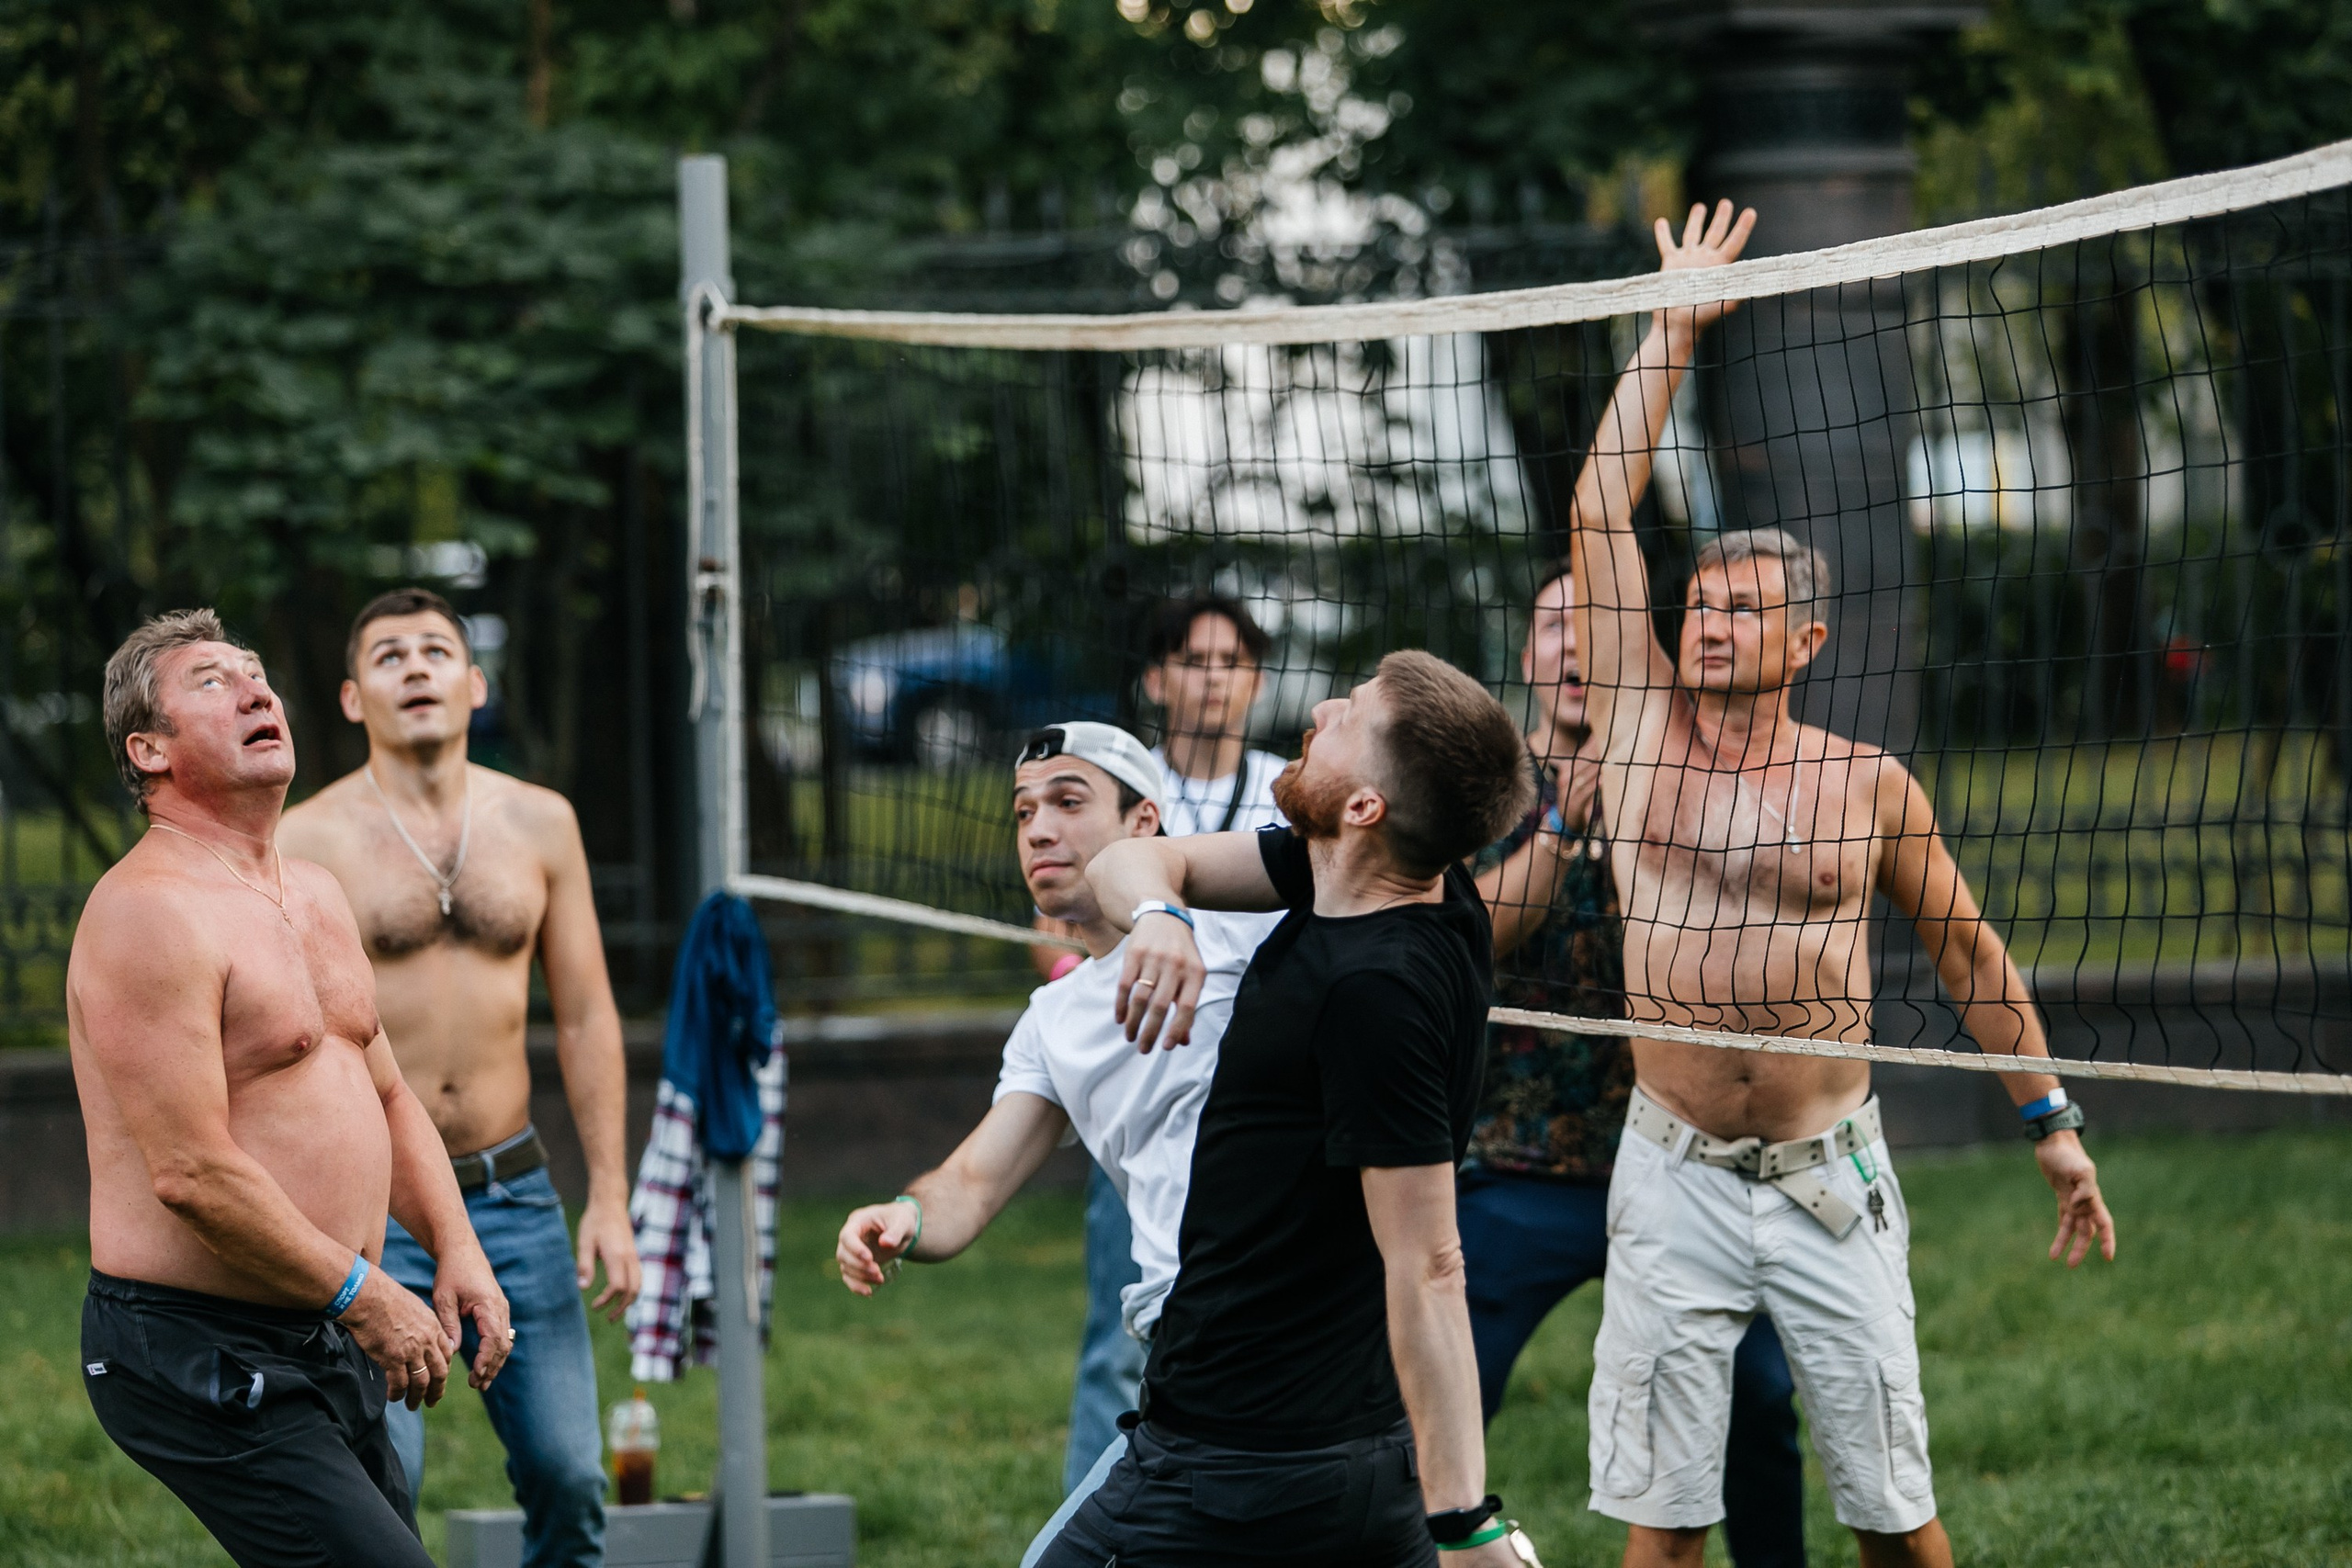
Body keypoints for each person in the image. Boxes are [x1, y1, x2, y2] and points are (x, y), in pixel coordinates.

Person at [1569, 201, 2118, 1568]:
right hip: (1674, 1166)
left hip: (1832, 1170)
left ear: (1807, 637)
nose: (1708, 618)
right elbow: (1596, 509)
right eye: (1699, 600)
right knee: (1666, 1515)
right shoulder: (1637, 731)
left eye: (1743, 607)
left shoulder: (1866, 780)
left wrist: (2050, 1118)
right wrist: (1675, 326)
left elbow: (1971, 956)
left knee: (1891, 1507)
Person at [1037, 649, 1537, 1568]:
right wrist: (1159, 916)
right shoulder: (1361, 879)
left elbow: (1427, 1263)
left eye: (1348, 715)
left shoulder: (1374, 991)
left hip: (1235, 1465)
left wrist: (1466, 1520)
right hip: (1347, 1448)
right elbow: (1141, 861)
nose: (1318, 706)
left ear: (1364, 808)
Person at [69, 609, 514, 1568]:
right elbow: (189, 1171)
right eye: (213, 683)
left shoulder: (309, 891)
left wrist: (456, 1249)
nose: (257, 691)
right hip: (197, 1347)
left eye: (258, 675)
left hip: (318, 1323)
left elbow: (388, 1094)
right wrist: (364, 1293)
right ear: (148, 750)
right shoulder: (146, 913)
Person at [831, 721, 1258, 1557]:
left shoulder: (1246, 930)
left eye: (1068, 801)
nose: (1039, 829)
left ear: (1145, 825)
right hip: (1185, 1345)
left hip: (1299, 1323)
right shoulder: (1052, 1021)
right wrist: (903, 1216)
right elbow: (973, 1183)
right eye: (1024, 811)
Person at [279, 588, 639, 1568]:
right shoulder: (305, 839)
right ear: (354, 699)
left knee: (571, 1480)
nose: (415, 667)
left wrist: (607, 1193)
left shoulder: (541, 822)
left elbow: (587, 1015)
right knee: (377, 1489)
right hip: (370, 1206)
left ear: (476, 685)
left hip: (514, 1195)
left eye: (436, 650)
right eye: (388, 656)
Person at [1464, 557, 1806, 1568]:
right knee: (1421, 1405)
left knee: (1760, 1403)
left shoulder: (1688, 785)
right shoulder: (1473, 788)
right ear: (1527, 654)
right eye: (1553, 625)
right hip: (1516, 1164)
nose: (1576, 643)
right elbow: (1467, 934)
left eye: (1598, 622)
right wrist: (1571, 809)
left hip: (1683, 1169)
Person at [1049, 595, 1294, 1495]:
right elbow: (1058, 914)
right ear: (1157, 678)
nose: (1212, 679)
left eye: (1230, 663)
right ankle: (1095, 1513)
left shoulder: (1286, 787)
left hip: (1262, 1098)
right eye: (1193, 661)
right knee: (1117, 1339)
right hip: (1143, 1084)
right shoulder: (1122, 783)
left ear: (1255, 682)